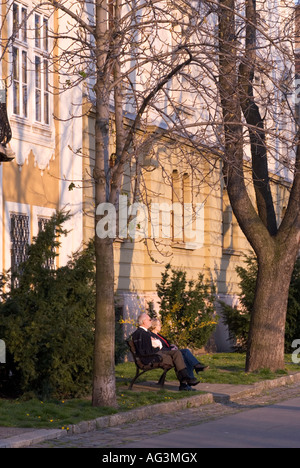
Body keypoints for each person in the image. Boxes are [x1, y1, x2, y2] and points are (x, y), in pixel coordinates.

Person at [131, 313, 199, 391]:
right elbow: (146, 351)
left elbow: (148, 348)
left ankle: (186, 378)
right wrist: (157, 344)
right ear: (144, 321)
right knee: (182, 357)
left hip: (155, 355)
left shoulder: (143, 333)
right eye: (149, 320)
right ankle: (185, 381)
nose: (151, 321)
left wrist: (156, 343)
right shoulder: (142, 333)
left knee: (177, 353)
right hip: (151, 358)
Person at [149, 317, 209, 384]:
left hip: (171, 352)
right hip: (166, 355)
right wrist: (170, 349)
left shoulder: (158, 335)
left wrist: (172, 346)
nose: (161, 326)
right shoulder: (151, 336)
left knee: (185, 353)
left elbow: (166, 345)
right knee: (184, 356)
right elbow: (159, 349)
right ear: (154, 326)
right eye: (159, 324)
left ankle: (194, 370)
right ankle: (193, 372)